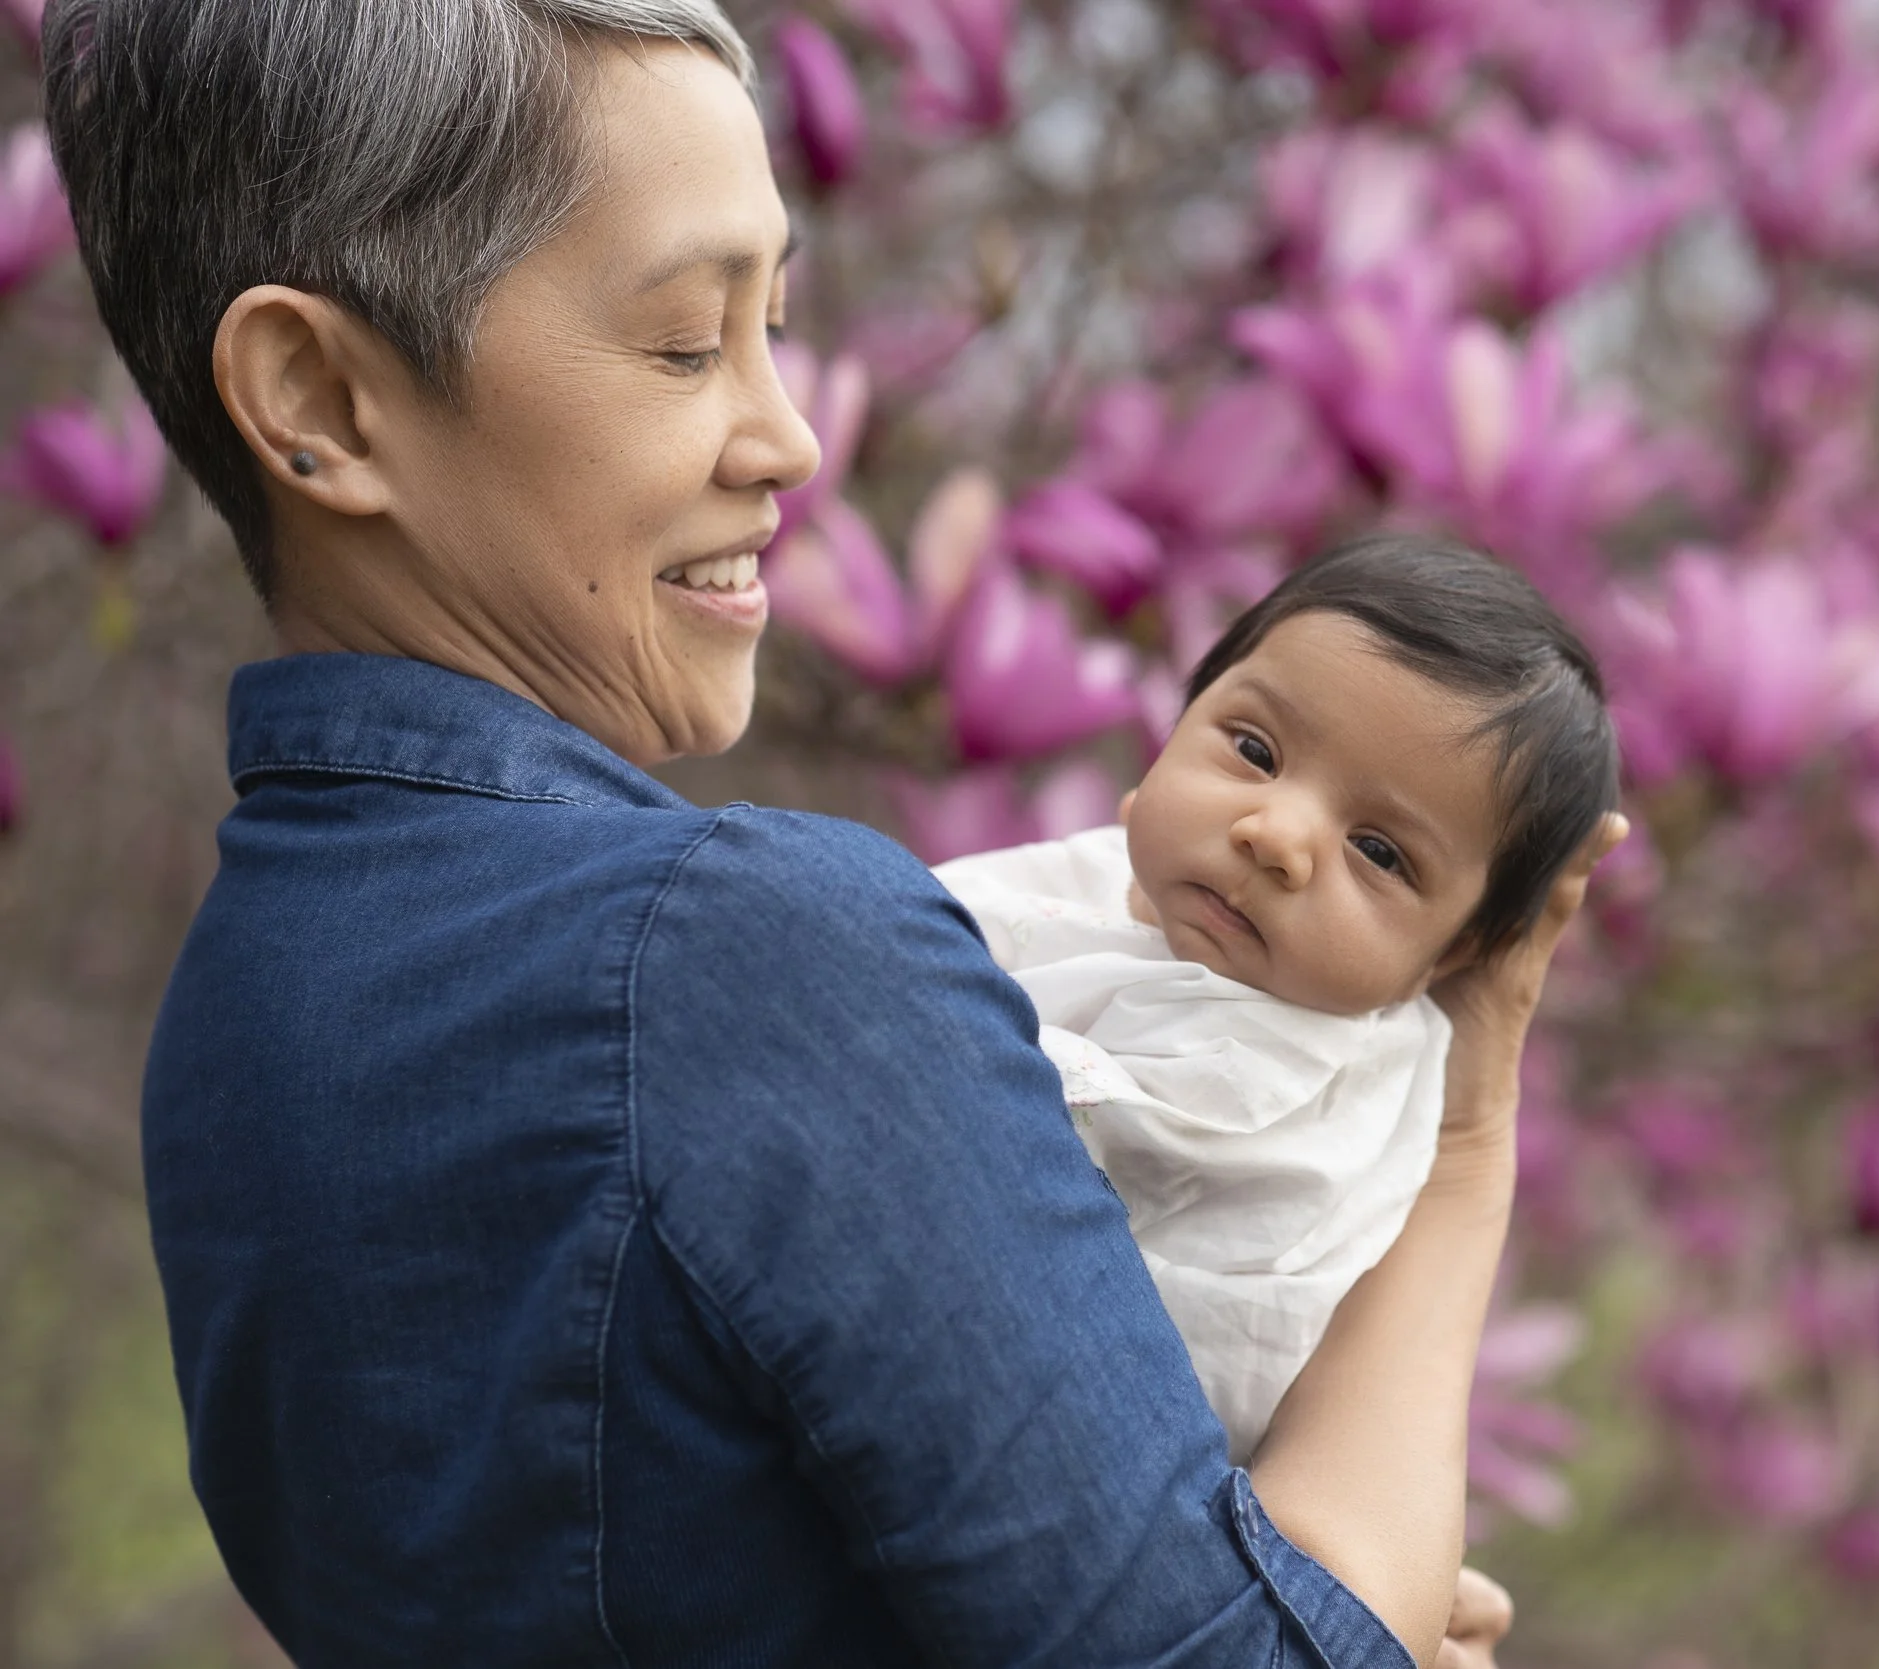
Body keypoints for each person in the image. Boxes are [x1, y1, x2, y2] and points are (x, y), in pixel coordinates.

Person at [43, 0, 1624, 1663]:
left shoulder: (232, 1009)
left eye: (775, 325)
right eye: (683, 341)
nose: (788, 435)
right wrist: (1460, 1153)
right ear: (324, 401)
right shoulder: (750, 953)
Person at [935, 535, 1620, 1460]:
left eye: (1380, 852)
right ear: (1174, 728)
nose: (1277, 835)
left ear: (1451, 953)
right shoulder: (1087, 875)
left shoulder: (1309, 1061)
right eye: (1254, 750)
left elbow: (1052, 1126)